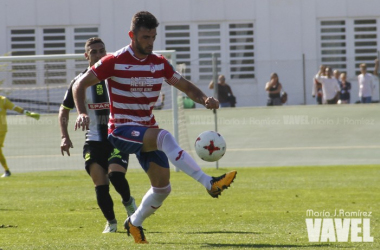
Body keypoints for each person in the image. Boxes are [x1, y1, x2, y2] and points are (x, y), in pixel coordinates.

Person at [72, 11, 237, 244]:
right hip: (121, 130)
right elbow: (79, 84)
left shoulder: (159, 63)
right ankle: (209, 183)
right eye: (145, 37)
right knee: (164, 137)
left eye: (153, 37)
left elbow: (187, 87)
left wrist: (205, 99)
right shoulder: (114, 61)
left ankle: (134, 223)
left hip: (146, 129)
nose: (150, 42)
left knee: (162, 188)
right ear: (132, 35)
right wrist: (81, 112)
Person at [58, 37, 137, 233]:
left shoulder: (117, 77)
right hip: (93, 140)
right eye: (94, 52)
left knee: (116, 176)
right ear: (86, 56)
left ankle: (129, 203)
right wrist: (65, 137)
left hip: (117, 137)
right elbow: (64, 110)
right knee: (100, 184)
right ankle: (111, 223)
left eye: (102, 50)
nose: (99, 54)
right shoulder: (79, 82)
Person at [0, 98, 39, 177]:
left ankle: (7, 171)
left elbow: (15, 108)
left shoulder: (3, 100)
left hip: (1, 130)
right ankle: (7, 170)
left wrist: (28, 113)